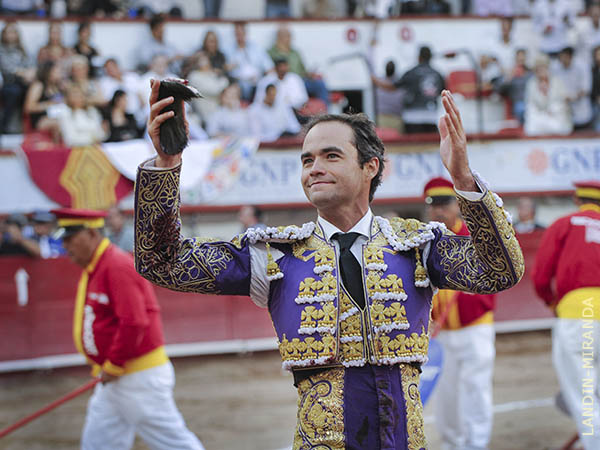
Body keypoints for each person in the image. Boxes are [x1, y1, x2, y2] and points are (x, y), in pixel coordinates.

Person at [134, 80, 524, 448]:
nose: (314, 168)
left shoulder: (416, 246)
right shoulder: (273, 255)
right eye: (307, 159)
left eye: (331, 155)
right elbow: (163, 262)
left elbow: (500, 270)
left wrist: (464, 182)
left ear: (371, 167)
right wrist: (166, 165)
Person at [52, 207, 204, 450]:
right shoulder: (99, 265)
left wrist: (114, 364)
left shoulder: (116, 265)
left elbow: (134, 321)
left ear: (91, 234)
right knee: (99, 441)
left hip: (136, 376)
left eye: (70, 239)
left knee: (172, 442)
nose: (66, 246)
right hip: (117, 376)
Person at [423, 176, 497, 450]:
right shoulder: (427, 241)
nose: (438, 210)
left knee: (475, 391)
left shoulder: (475, 237)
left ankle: (475, 446)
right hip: (440, 334)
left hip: (475, 327)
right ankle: (453, 445)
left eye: (444, 204)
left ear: (457, 205)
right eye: (433, 205)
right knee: (446, 395)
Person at [532, 181, 600, 450]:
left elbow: (540, 277)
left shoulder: (563, 224)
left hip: (576, 314)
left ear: (576, 199)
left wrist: (552, 302)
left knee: (583, 393)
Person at [372, 46, 445, 134]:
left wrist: (374, 80)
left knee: (413, 146)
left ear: (419, 57)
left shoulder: (411, 73)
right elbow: (444, 93)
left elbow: (391, 87)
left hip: (412, 117)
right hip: (431, 117)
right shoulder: (438, 74)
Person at [268, 25, 330, 107]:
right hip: (285, 82)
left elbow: (303, 70)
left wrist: (310, 74)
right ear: (278, 37)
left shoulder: (295, 52)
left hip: (301, 80)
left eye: (289, 36)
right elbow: (270, 70)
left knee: (320, 84)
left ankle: (324, 113)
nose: (288, 39)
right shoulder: (271, 52)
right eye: (285, 36)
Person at [0, 21, 35, 134]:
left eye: (13, 32)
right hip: (8, 83)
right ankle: (6, 125)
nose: (11, 35)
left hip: (23, 81)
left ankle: (30, 126)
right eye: (8, 32)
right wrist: (23, 73)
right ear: (3, 34)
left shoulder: (22, 49)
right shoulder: (1, 50)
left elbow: (30, 64)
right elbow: (6, 68)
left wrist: (30, 73)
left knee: (35, 89)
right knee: (14, 92)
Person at [524, 54, 572, 136]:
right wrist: (540, 114)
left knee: (558, 126)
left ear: (547, 68)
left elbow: (562, 101)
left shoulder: (557, 81)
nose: (541, 71)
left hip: (555, 116)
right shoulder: (531, 83)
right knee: (531, 128)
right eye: (538, 69)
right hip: (539, 117)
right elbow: (530, 104)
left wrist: (552, 109)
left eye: (543, 68)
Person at [226, 21, 274, 101]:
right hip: (237, 83)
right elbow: (224, 68)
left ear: (246, 33)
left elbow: (269, 67)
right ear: (234, 34)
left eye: (242, 33)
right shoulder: (228, 50)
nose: (240, 36)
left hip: (256, 83)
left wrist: (267, 80)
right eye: (237, 34)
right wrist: (230, 66)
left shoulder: (257, 48)